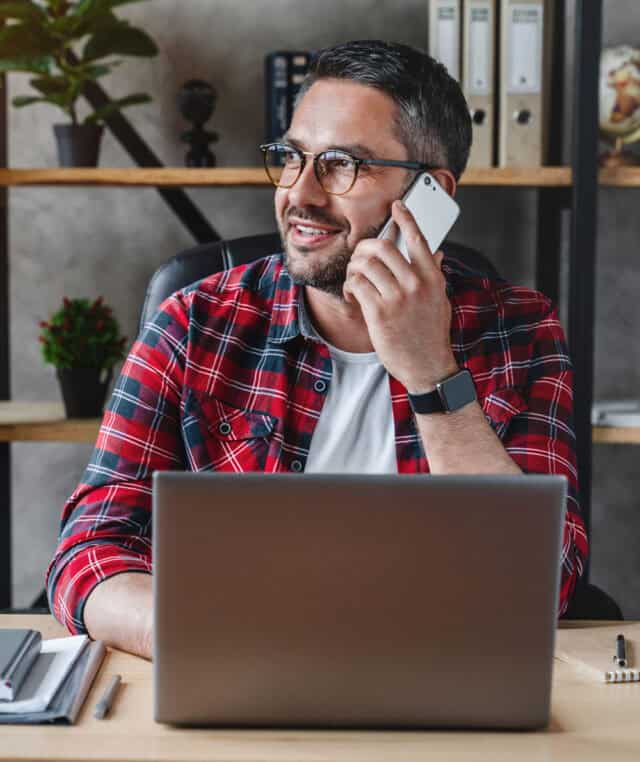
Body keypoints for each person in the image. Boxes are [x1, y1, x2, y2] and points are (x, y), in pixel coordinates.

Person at [46, 40, 587, 659]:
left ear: (430, 195)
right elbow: (89, 549)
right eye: (291, 158)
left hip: (439, 686)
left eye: (340, 165)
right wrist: (202, 636)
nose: (299, 194)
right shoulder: (195, 325)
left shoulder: (519, 329)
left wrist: (430, 373)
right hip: (232, 678)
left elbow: (544, 584)